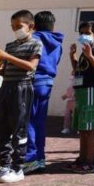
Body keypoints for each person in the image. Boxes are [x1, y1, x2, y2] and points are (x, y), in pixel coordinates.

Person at [0, 10, 42, 184]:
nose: (15, 29)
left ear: (30, 26)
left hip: (22, 88)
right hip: (6, 87)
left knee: (19, 127)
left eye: (19, 26)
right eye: (13, 27)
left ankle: (18, 168)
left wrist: (7, 56)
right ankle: (4, 165)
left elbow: (31, 66)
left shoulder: (36, 44)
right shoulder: (10, 45)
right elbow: (4, 67)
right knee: (2, 127)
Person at [23, 11, 64, 174]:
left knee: (29, 122)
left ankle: (31, 158)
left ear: (35, 24)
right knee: (40, 122)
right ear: (52, 25)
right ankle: (40, 158)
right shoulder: (58, 42)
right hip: (47, 82)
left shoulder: (33, 39)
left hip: (33, 80)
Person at [67, 22, 94, 173]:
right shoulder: (86, 51)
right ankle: (82, 158)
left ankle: (91, 161)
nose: (83, 35)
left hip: (91, 90)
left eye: (87, 32)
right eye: (81, 32)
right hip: (81, 91)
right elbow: (78, 69)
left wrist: (90, 55)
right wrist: (73, 56)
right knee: (83, 128)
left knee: (90, 128)